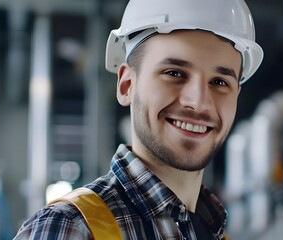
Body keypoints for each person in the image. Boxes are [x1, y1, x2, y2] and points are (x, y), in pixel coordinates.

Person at [14, 0, 263, 239]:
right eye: (174, 73)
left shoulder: (213, 233)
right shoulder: (69, 228)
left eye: (220, 82)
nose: (198, 101)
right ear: (126, 85)